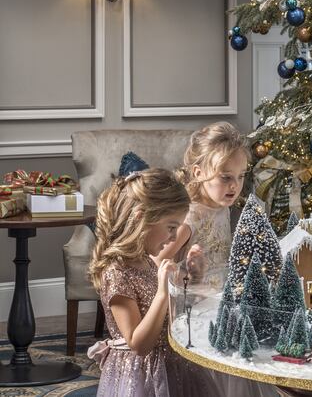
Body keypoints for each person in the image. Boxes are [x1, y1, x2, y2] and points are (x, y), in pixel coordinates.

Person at [88, 168, 212, 396]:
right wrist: (162, 294)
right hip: (141, 377)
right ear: (141, 218)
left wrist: (195, 278)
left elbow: (173, 316)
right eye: (171, 227)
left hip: (172, 365)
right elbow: (139, 344)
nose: (175, 238)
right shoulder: (116, 273)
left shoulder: (147, 261)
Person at [158, 121, 249, 281]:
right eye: (225, 177)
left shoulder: (223, 207)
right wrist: (185, 272)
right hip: (191, 301)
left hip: (219, 298)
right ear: (198, 173)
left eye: (240, 176)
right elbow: (156, 261)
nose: (235, 185)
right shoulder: (189, 217)